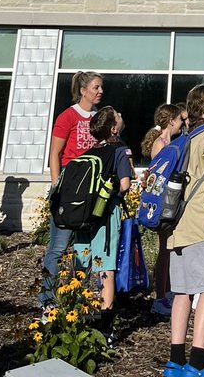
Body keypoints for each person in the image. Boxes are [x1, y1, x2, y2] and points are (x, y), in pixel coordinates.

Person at [164, 82, 204, 377]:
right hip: (203, 224)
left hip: (178, 224)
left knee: (181, 293)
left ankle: (175, 362)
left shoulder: (186, 138)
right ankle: (199, 363)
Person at [40, 69, 104, 307]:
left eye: (101, 87)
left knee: (84, 246)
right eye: (96, 87)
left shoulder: (99, 119)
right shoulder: (68, 117)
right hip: (69, 185)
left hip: (91, 188)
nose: (100, 91)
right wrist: (57, 185)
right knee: (58, 246)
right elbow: (55, 153)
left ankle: (78, 298)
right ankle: (48, 300)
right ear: (83, 90)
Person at [71, 105, 133, 344]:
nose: (121, 115)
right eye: (118, 114)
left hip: (83, 216)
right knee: (105, 267)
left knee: (81, 264)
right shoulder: (120, 149)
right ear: (114, 127)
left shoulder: (89, 151)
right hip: (106, 216)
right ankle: (105, 327)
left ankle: (75, 313)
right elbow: (125, 184)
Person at [143, 102, 188, 318]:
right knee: (164, 250)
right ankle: (160, 295)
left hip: (166, 201)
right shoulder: (161, 144)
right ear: (171, 121)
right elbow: (158, 175)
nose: (183, 123)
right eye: (181, 119)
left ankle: (167, 291)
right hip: (161, 202)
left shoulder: (169, 141)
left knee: (169, 249)